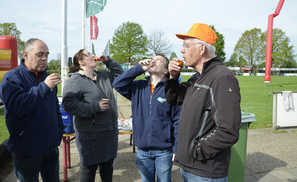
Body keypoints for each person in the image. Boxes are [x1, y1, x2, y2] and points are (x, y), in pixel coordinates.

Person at [164, 23, 241, 182]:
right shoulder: (198, 77)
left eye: (186, 45)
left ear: (202, 48)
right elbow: (174, 99)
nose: (182, 50)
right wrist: (172, 77)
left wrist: (197, 150)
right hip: (190, 168)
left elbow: (228, 131)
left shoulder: (222, 78)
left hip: (205, 172)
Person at [0, 38, 64, 182]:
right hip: (26, 150)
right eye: (40, 54)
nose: (44, 58)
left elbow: (55, 109)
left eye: (47, 55)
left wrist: (58, 133)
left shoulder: (47, 77)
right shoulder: (12, 78)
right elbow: (16, 107)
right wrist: (44, 87)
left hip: (50, 147)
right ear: (26, 55)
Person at [113, 54, 181, 182]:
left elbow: (177, 120)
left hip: (164, 150)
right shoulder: (138, 87)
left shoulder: (171, 89)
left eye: (158, 60)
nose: (153, 61)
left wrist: (176, 148)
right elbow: (117, 84)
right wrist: (138, 68)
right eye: (153, 59)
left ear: (165, 70)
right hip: (142, 150)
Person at [62, 49, 123, 182]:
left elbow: (120, 74)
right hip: (90, 133)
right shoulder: (75, 80)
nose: (93, 55)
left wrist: (108, 61)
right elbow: (69, 104)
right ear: (81, 61)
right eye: (88, 54)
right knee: (89, 169)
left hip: (109, 130)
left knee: (108, 166)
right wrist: (95, 107)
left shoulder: (103, 75)